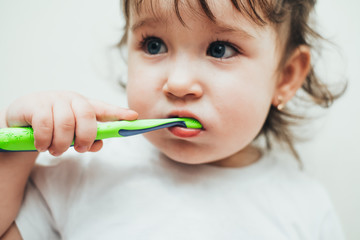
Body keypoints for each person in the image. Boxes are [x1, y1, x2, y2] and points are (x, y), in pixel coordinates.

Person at [0, 0, 346, 239]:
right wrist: (16, 154)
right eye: (153, 45)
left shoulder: (306, 206)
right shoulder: (79, 173)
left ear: (285, 76)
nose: (178, 83)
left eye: (220, 49)